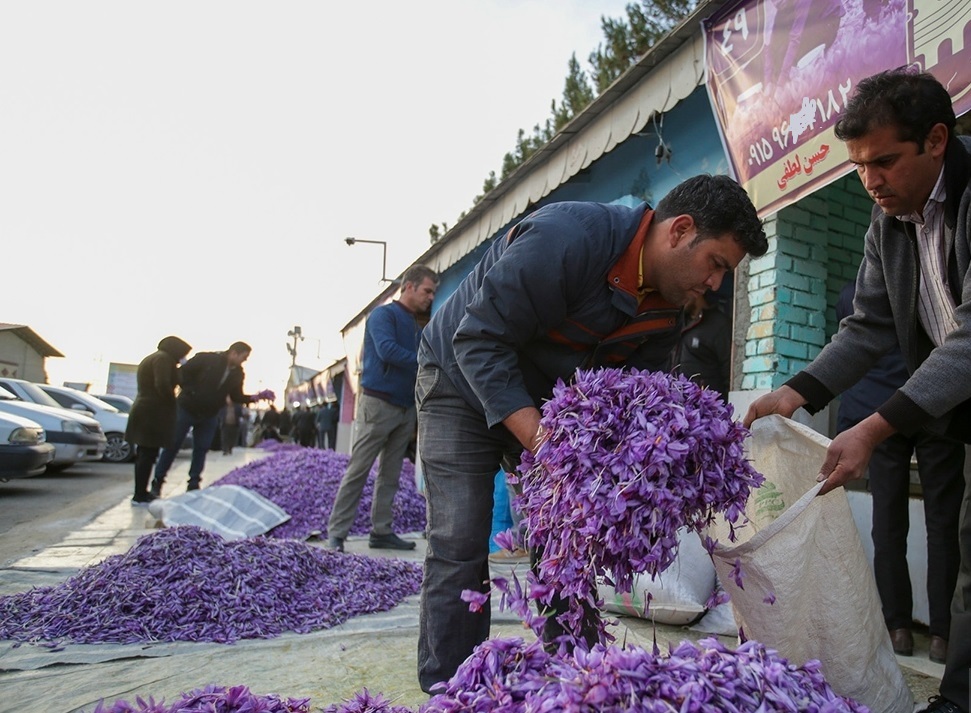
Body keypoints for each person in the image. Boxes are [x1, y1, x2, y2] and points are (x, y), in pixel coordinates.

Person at [415, 173, 768, 693]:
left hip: (543, 400)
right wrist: (550, 448)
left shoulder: (667, 311)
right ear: (680, 230)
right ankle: (455, 692)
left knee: (569, 535)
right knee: (461, 538)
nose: (716, 284)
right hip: (458, 381)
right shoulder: (569, 238)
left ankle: (576, 681)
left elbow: (622, 395)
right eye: (716, 263)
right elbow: (479, 339)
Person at [742, 69, 971, 713]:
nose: (871, 180)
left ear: (935, 140)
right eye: (860, 166)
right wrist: (797, 391)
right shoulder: (887, 222)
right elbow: (868, 326)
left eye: (885, 162)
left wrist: (873, 427)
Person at [835, 280, 964, 662]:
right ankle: (943, 635)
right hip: (935, 405)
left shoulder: (854, 293)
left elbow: (854, 350)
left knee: (887, 520)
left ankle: (898, 628)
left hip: (879, 410)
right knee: (943, 520)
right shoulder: (937, 282)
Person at [326, 264, 439, 553]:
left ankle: (382, 530)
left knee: (391, 473)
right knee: (359, 469)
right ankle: (337, 533)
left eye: (433, 292)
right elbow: (387, 350)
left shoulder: (415, 324)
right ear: (409, 286)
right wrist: (427, 361)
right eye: (427, 290)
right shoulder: (383, 315)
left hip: (404, 407)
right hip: (378, 404)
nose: (430, 297)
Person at [151, 341, 264, 494]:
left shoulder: (238, 373)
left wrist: (254, 398)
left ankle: (194, 483)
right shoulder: (207, 359)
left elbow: (236, 395)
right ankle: (158, 481)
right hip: (187, 408)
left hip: (209, 413)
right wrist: (191, 391)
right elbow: (182, 373)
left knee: (201, 448)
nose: (245, 360)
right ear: (233, 353)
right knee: (173, 445)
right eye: (244, 357)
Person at [125, 336, 192, 505]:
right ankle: (139, 495)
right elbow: (162, 384)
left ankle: (141, 492)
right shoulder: (163, 359)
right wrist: (172, 402)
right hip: (151, 412)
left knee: (146, 454)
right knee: (146, 454)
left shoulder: (157, 357)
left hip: (146, 409)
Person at [671, 290, 732, 400]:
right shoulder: (680, 322)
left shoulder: (719, 325)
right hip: (679, 406)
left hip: (707, 408)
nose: (679, 300)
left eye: (683, 293)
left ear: (697, 292)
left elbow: (730, 374)